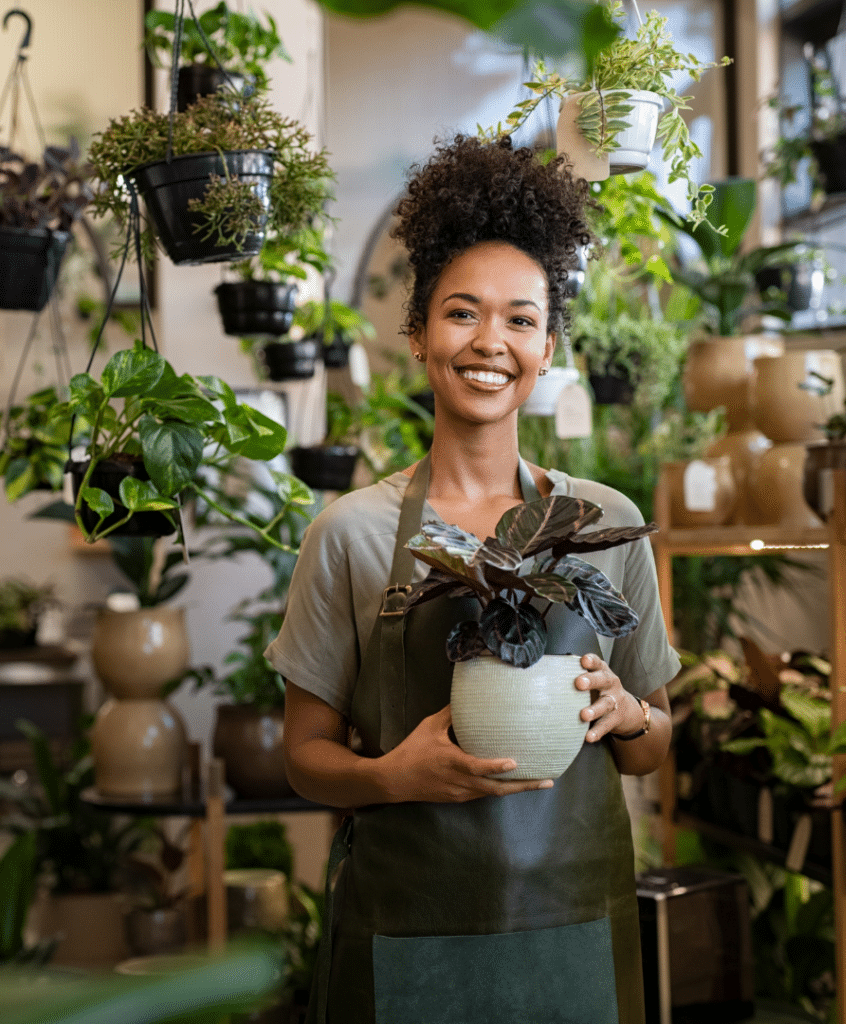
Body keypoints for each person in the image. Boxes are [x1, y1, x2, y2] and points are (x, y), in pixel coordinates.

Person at [266, 134, 681, 1024]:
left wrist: (630, 713)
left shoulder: (602, 524)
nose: (491, 341)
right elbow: (303, 757)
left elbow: (652, 747)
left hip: (574, 931)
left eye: (521, 319)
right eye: (462, 313)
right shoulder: (351, 535)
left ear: (547, 343)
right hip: (408, 937)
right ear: (418, 334)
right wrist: (395, 777)